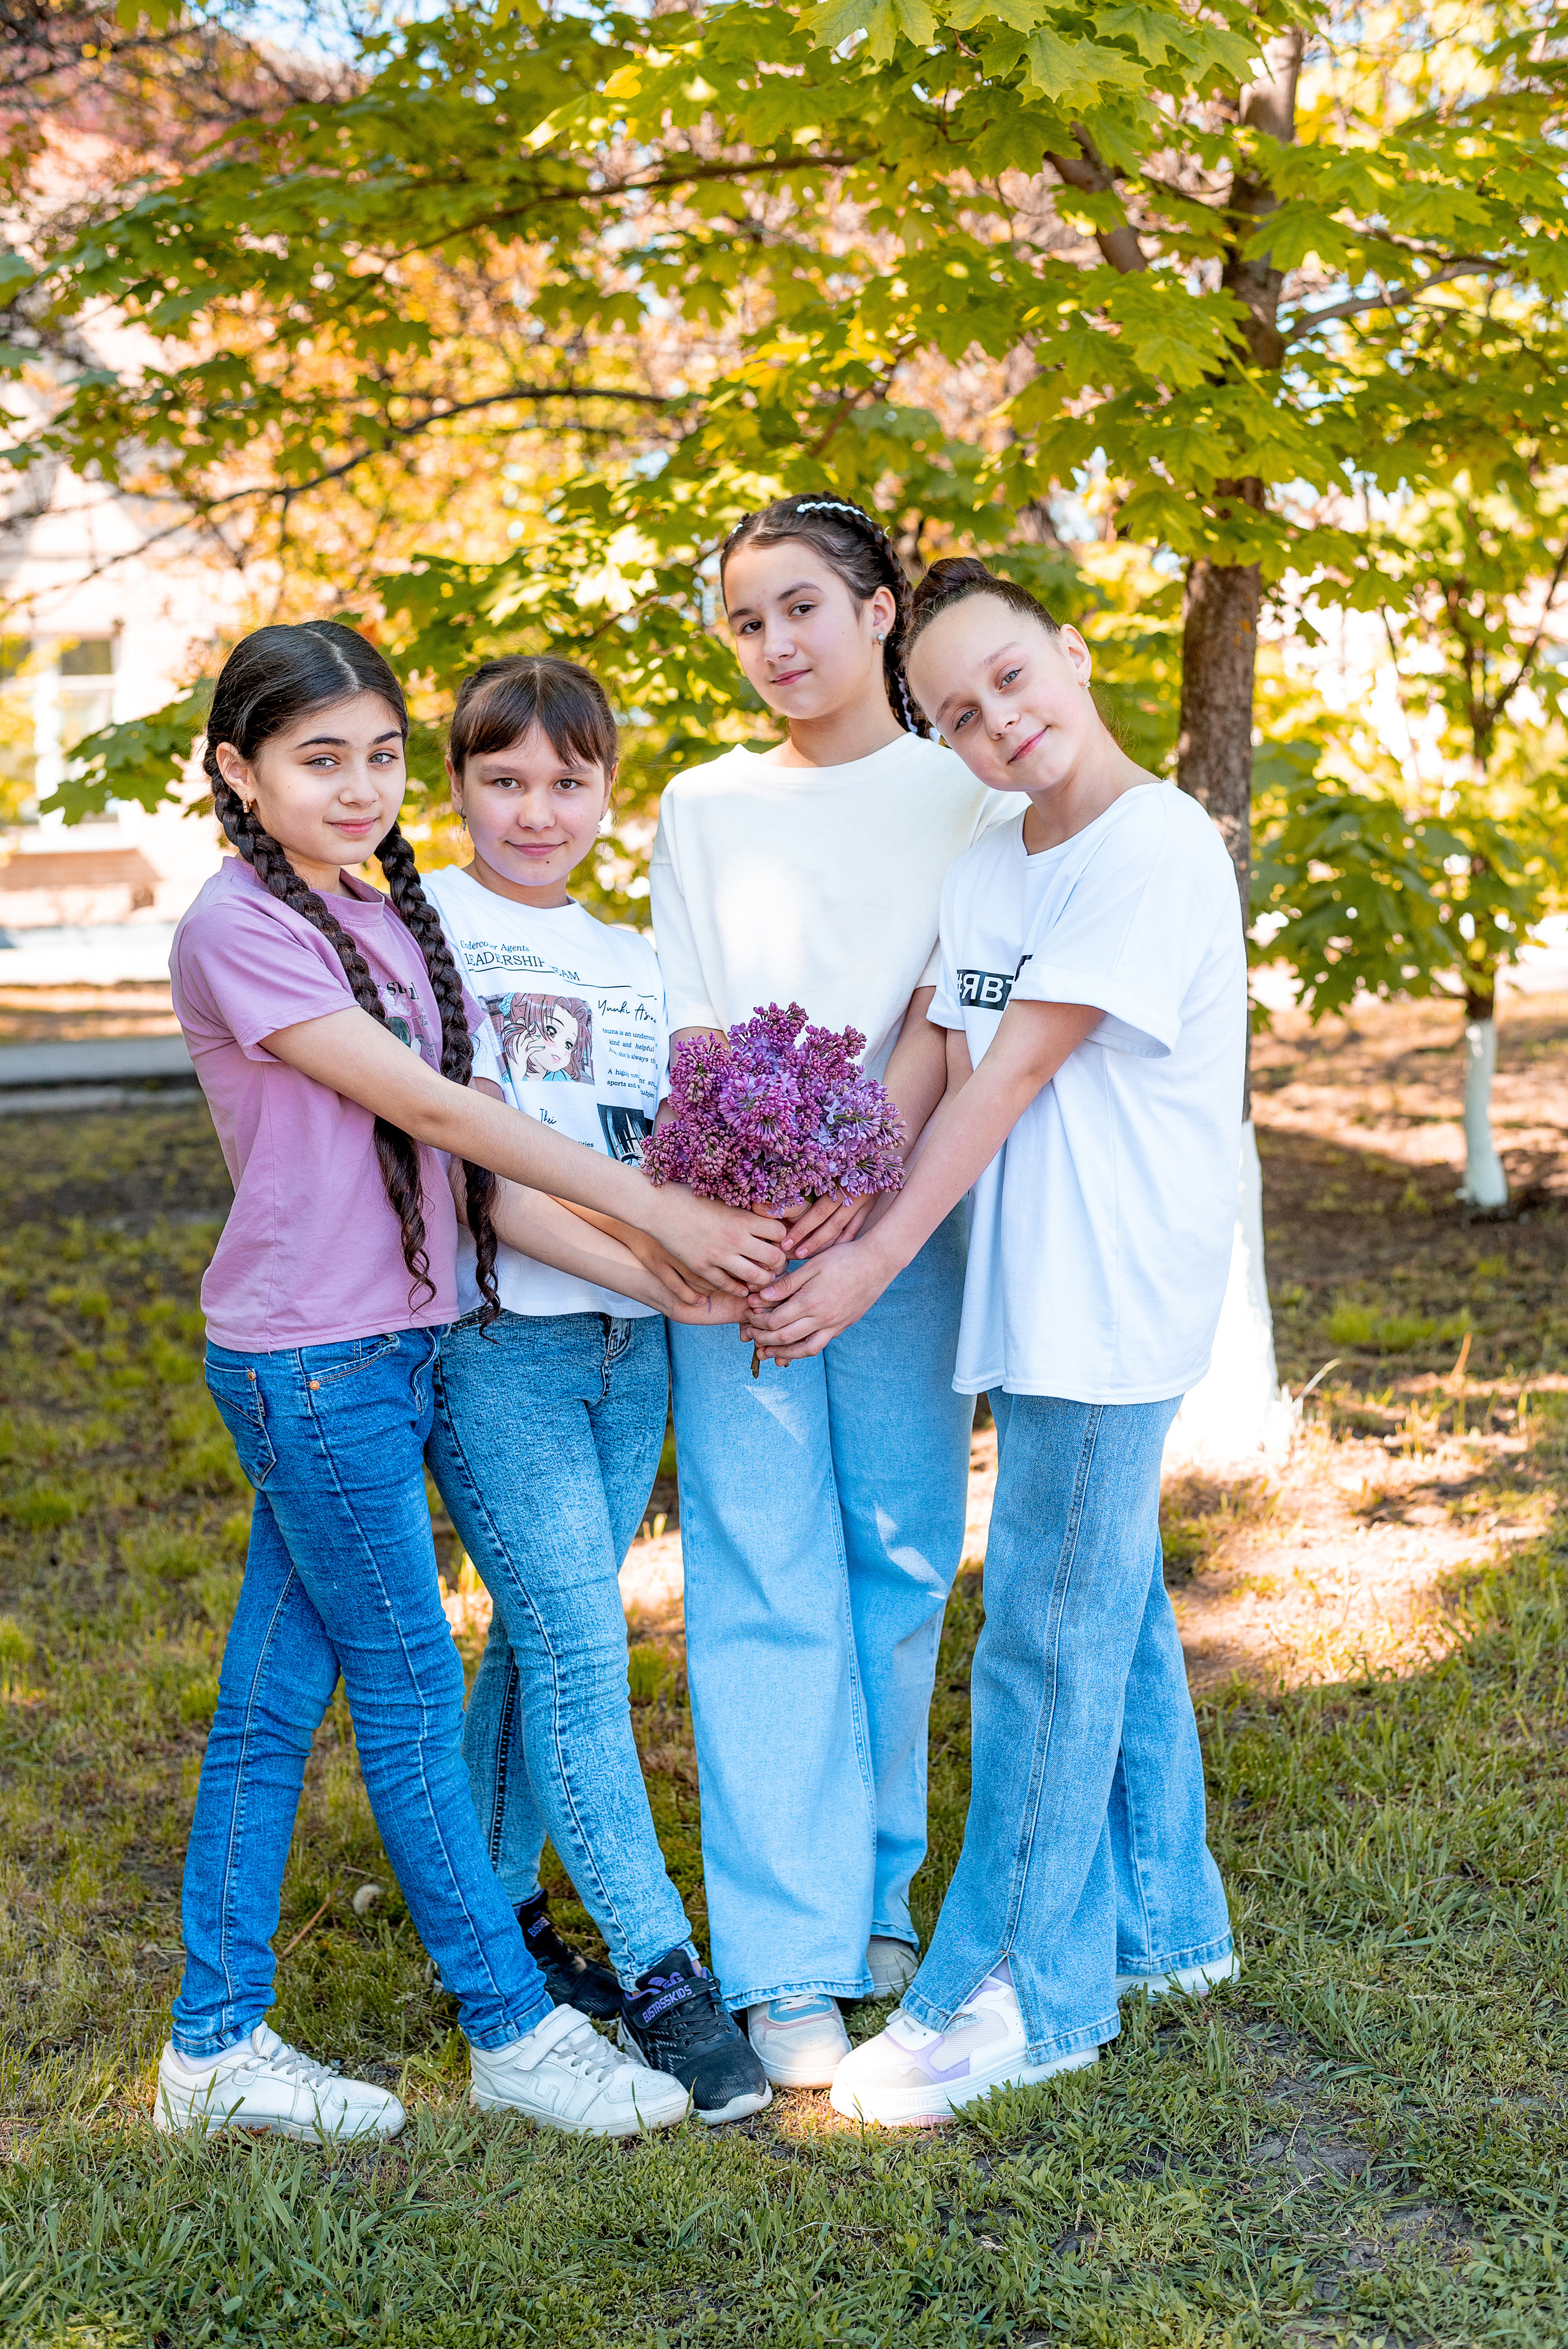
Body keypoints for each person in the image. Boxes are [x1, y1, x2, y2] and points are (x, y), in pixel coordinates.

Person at [157, 621, 785, 2144]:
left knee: (265, 1702)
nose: (362, 785)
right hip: (314, 1360)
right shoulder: (240, 926)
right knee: (411, 1690)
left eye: (379, 754)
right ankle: (511, 2024)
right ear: (239, 770)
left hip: (388, 1342)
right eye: (322, 760)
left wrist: (668, 1262)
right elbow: (438, 1112)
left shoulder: (374, 908)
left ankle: (211, 2044)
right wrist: (661, 1220)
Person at [744, 558, 1244, 2125]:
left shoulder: (1149, 848)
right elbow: (932, 1053)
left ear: (1072, 655)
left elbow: (1012, 1077)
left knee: (1043, 1627)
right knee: (1111, 1600)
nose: (997, 723)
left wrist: (873, 1258)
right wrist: (830, 1211)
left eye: (1012, 680)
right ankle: (1170, 1928)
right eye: (958, 714)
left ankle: (1021, 1987)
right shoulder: (991, 858)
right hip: (1025, 1294)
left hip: (1107, 1302)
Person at [649, 493, 1006, 2089]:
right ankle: (786, 1953)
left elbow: (948, 1007)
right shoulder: (705, 803)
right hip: (729, 1226)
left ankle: (874, 1891)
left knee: (900, 1549)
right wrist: (765, 1193)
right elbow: (689, 1023)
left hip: (905, 1218)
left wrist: (862, 1192)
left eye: (803, 607)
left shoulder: (966, 792)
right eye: (746, 622)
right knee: (756, 1562)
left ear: (877, 612)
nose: (777, 644)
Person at [423, 653, 772, 2125]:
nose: (535, 809)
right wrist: (658, 1270)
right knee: (580, 1648)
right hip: (497, 1341)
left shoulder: (636, 957)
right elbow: (473, 1173)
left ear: (605, 791)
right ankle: (661, 1971)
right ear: (456, 786)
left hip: (631, 1361)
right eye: (502, 779)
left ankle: (495, 1929)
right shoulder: (424, 931)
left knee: (536, 1641)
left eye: (568, 781)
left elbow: (662, 1150)